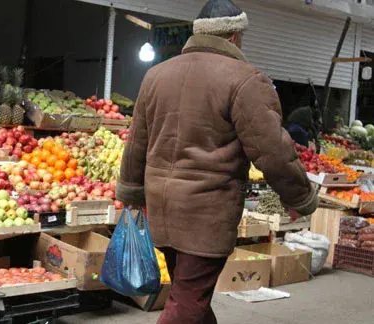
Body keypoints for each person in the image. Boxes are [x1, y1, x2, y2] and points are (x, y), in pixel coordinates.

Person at [115, 0, 318, 323]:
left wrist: (130, 195)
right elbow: (273, 151)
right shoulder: (246, 80)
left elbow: (136, 143)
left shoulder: (156, 75)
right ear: (235, 37)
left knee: (191, 295)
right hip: (205, 215)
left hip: (163, 213)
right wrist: (300, 198)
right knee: (187, 303)